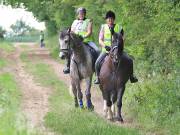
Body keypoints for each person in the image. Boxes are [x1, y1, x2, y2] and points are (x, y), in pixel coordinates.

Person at [94, 10, 138, 84]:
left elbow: (123, 38)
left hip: (118, 50)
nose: (110, 20)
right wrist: (105, 46)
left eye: (111, 18)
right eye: (108, 19)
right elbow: (100, 40)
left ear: (114, 19)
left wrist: (120, 46)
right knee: (97, 62)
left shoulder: (119, 27)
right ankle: (98, 78)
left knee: (130, 60)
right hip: (106, 50)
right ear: (106, 20)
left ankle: (131, 76)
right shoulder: (103, 27)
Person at [63, 7, 99, 74]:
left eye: (82, 13)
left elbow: (89, 31)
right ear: (78, 14)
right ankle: (67, 66)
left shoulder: (89, 21)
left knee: (97, 50)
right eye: (80, 14)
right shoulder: (75, 22)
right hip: (76, 42)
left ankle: (96, 69)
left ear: (85, 14)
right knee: (68, 50)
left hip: (87, 41)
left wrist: (83, 36)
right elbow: (72, 31)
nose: (81, 15)